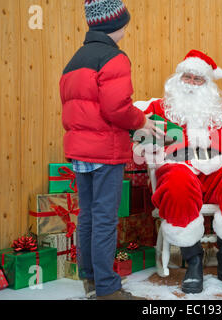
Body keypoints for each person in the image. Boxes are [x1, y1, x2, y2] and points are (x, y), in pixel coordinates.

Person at [136, 50, 222, 294]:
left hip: (216, 169)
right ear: (178, 79)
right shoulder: (159, 108)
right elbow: (139, 135)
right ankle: (193, 259)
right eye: (188, 77)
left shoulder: (219, 113)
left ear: (207, 84)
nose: (191, 84)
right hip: (179, 166)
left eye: (198, 80)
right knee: (176, 183)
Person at [59, 0, 162, 300]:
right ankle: (107, 288)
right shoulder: (114, 58)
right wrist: (140, 121)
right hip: (104, 151)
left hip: (80, 151)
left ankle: (90, 279)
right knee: (105, 217)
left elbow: (80, 108)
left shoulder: (74, 61)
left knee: (89, 215)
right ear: (117, 24)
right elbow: (116, 107)